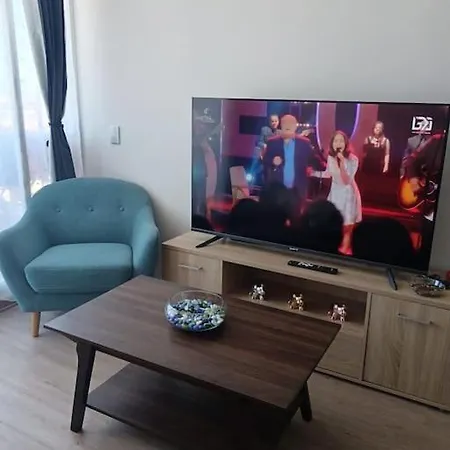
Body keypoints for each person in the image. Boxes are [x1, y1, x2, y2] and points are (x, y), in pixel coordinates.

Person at [262, 114, 326, 216]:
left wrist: (325, 164)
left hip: (297, 190)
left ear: (295, 126)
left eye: (291, 123)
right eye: (285, 123)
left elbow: (313, 159)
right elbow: (265, 160)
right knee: (277, 217)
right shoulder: (272, 142)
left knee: (295, 217)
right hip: (278, 189)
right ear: (281, 125)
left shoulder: (304, 142)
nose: (288, 126)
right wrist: (272, 161)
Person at [402, 132, 446, 268]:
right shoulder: (438, 141)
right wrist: (414, 178)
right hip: (430, 212)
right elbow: (411, 160)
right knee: (424, 254)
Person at [321, 131, 362, 254]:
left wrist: (343, 162)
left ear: (346, 143)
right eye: (336, 141)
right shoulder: (330, 158)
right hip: (335, 194)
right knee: (332, 222)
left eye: (341, 141)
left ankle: (344, 252)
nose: (338, 143)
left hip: (348, 194)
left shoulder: (353, 159)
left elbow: (346, 180)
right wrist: (312, 173)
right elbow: (328, 174)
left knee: (347, 226)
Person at [192, 110, 214, 216]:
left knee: (201, 197)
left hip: (200, 173)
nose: (202, 127)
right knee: (198, 197)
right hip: (197, 173)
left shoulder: (201, 139)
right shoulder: (195, 140)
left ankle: (201, 215)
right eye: (200, 124)